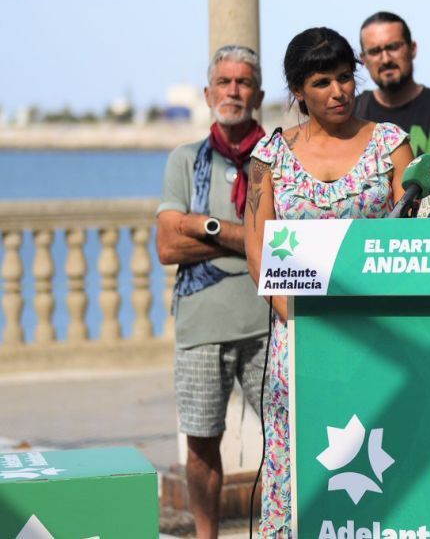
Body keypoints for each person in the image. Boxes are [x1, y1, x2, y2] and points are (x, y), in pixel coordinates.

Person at [244, 27, 413, 537]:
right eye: (322, 82)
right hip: (299, 336)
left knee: (383, 461)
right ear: (298, 90)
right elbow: (258, 247)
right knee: (304, 458)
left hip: (380, 336)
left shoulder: (391, 144)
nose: (338, 91)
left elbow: (412, 238)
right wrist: (299, 320)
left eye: (344, 77)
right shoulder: (269, 156)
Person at [156, 45, 271, 539]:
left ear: (258, 95)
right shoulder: (185, 160)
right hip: (200, 326)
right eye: (224, 82)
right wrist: (245, 236)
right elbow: (167, 245)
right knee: (201, 444)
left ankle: (283, 525)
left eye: (243, 82)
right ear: (207, 94)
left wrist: (202, 226)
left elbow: (277, 242)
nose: (233, 91)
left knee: (287, 435)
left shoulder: (275, 158)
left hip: (269, 322)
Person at [355, 11, 430, 158]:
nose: (386, 59)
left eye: (393, 47)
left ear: (412, 49)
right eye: (375, 51)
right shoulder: (351, 113)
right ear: (363, 60)